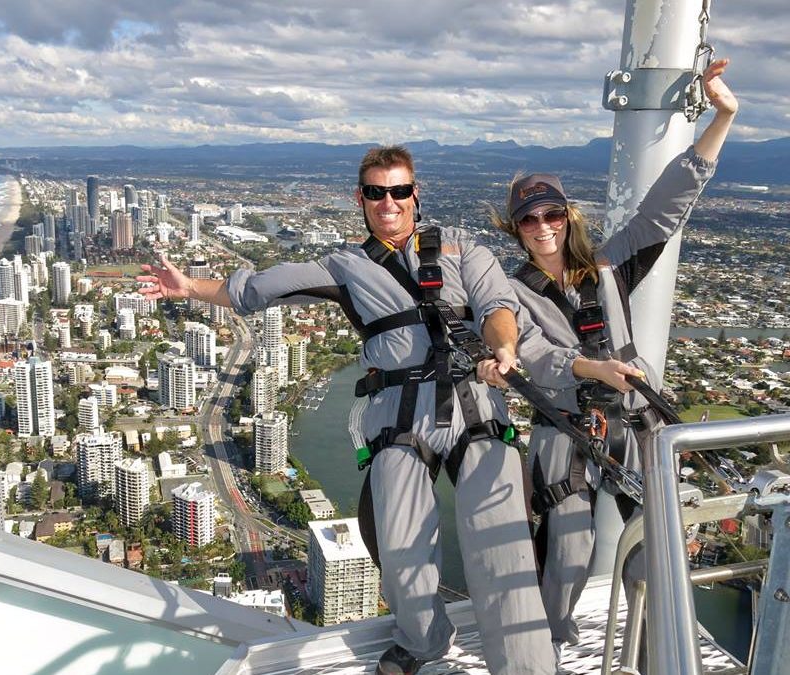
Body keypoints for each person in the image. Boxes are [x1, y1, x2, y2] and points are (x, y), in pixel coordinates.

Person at [137, 145, 639, 675]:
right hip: (398, 415)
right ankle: (424, 641)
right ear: (362, 199)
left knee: (502, 547)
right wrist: (190, 286)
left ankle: (528, 669)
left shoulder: (464, 250)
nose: (389, 202)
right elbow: (262, 287)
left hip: (474, 405)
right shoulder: (348, 267)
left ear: (415, 193)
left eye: (399, 190)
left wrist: (505, 351)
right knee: (400, 554)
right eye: (377, 193)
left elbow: (497, 309)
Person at [486, 59, 737, 659]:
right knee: (569, 548)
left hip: (631, 418)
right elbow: (536, 354)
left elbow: (667, 205)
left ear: (566, 215)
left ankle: (651, 637)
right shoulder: (509, 290)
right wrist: (591, 368)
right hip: (566, 425)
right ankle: (549, 642)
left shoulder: (609, 264)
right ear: (516, 229)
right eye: (528, 220)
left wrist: (722, 116)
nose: (541, 227)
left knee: (653, 539)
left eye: (550, 214)